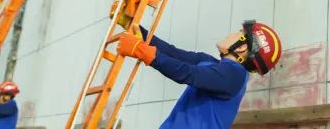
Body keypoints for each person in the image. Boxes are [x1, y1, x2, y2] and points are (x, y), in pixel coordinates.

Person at [115, 21, 282, 128]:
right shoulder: (211, 64)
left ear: (241, 47)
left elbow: (188, 74)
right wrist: (133, 26)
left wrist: (142, 51)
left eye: (239, 32)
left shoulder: (234, 76)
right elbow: (173, 53)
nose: (231, 34)